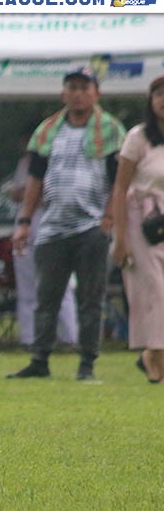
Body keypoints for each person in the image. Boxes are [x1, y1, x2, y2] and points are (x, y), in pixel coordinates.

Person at [8, 67, 125, 382]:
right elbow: (35, 180)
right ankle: (40, 360)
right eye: (72, 87)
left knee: (91, 299)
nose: (77, 93)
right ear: (63, 93)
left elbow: (119, 182)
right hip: (52, 227)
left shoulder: (112, 131)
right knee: (47, 298)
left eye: (84, 87)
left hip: (92, 228)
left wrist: (109, 219)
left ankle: (86, 364)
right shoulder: (47, 131)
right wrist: (24, 222)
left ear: (96, 93)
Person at [111, 74, 164, 383]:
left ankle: (151, 358)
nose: (163, 99)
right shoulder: (138, 137)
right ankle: (154, 360)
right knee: (155, 291)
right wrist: (120, 239)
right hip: (140, 221)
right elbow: (120, 188)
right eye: (158, 94)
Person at [8, 128, 79, 349]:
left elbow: (51, 194)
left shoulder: (59, 162)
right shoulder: (24, 163)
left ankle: (70, 337)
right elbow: (17, 192)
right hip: (25, 225)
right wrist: (26, 194)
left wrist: (31, 194)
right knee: (27, 285)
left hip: (52, 225)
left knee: (61, 284)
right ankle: (29, 338)